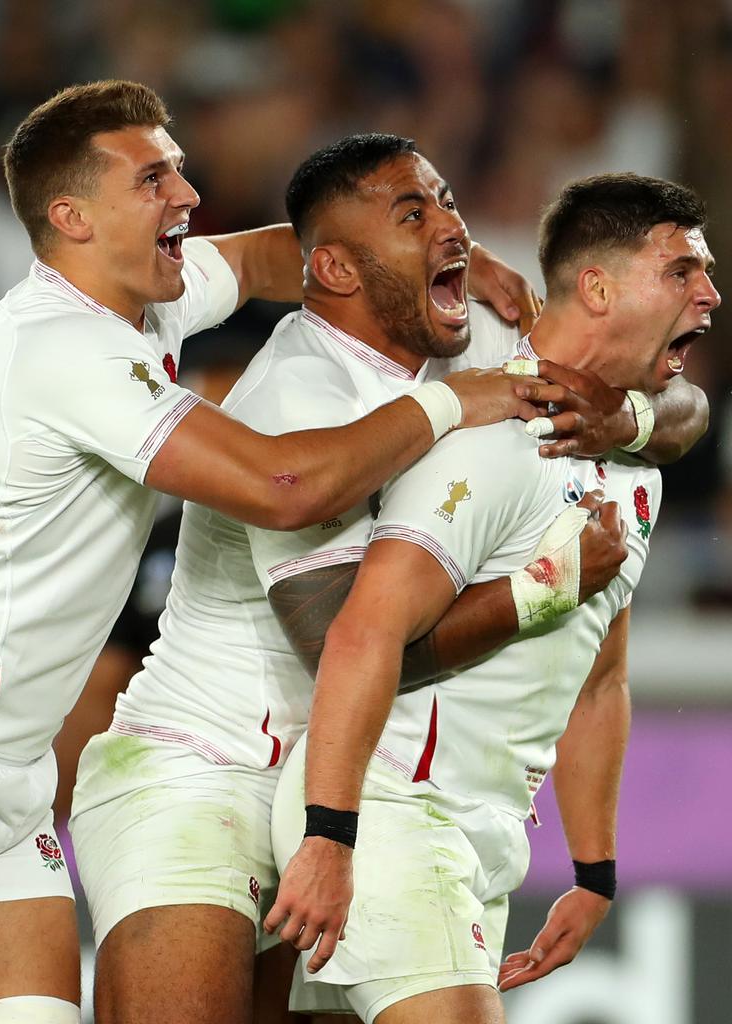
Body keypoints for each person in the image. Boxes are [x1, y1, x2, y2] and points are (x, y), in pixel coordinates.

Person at [69, 137, 707, 1024]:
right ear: (334, 268)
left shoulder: (471, 327)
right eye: (415, 214)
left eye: (448, 200)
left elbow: (667, 393)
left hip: (341, 778)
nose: (454, 225)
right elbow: (350, 645)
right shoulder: (296, 397)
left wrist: (627, 414)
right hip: (199, 770)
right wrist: (542, 588)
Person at [0, 84, 551, 1024]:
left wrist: (451, 252)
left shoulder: (140, 297)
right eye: (153, 178)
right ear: (71, 218)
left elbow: (288, 255)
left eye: (180, 169)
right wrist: (457, 400)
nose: (188, 195)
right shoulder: (60, 347)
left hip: (10, 784)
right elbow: (285, 485)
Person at [265, 170, 719, 1024]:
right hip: (393, 810)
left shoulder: (633, 460)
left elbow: (598, 679)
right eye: (682, 272)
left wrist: (594, 871)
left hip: (480, 836)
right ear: (596, 286)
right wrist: (331, 834)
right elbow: (362, 633)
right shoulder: (493, 441)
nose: (710, 294)